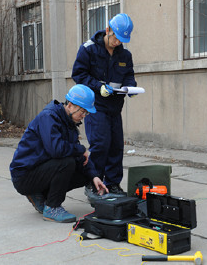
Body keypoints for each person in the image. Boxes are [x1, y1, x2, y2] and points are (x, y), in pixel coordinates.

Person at [9, 84, 108, 223]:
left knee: (83, 174)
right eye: (82, 112)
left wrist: (94, 177)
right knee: (66, 162)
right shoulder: (48, 117)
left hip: (41, 169)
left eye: (86, 113)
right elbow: (56, 150)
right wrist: (81, 150)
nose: (83, 116)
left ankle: (41, 195)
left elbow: (76, 153)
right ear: (71, 105)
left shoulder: (69, 123)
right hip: (24, 175)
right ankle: (52, 207)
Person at [72, 13, 136, 196]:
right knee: (100, 144)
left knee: (116, 146)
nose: (117, 42)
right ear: (108, 30)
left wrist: (131, 88)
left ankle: (113, 184)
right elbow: (79, 75)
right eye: (115, 37)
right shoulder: (88, 49)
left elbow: (129, 75)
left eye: (121, 40)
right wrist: (98, 86)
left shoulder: (125, 55)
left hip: (115, 107)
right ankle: (93, 183)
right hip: (95, 106)